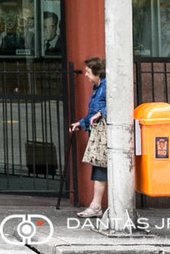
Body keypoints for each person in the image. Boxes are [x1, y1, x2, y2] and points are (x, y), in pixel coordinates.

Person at [68, 56, 107, 218]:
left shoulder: (106, 87)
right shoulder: (97, 88)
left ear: (98, 73)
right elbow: (93, 113)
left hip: (105, 135)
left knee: (100, 168)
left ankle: (96, 206)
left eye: (88, 72)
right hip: (98, 134)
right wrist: (81, 123)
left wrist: (101, 113)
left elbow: (116, 103)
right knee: (99, 168)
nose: (85, 75)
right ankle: (96, 205)